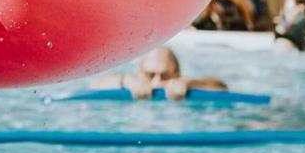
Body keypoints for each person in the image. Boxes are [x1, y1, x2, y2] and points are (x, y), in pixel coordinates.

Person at [88, 45, 227, 100]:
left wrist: (190, 83)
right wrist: (125, 81)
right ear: (140, 72)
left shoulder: (184, 85)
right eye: (150, 75)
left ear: (176, 75)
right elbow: (94, 85)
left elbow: (222, 87)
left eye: (165, 76)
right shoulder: (129, 83)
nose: (157, 82)